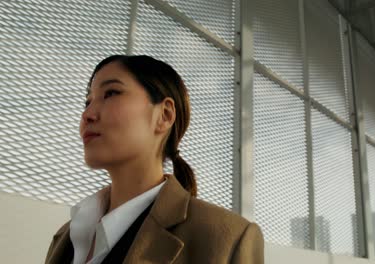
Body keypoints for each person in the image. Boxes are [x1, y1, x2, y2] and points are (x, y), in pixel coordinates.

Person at [44, 55, 264, 264]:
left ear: (165, 115)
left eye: (110, 93)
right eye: (87, 102)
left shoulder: (229, 238)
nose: (87, 114)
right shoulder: (67, 235)